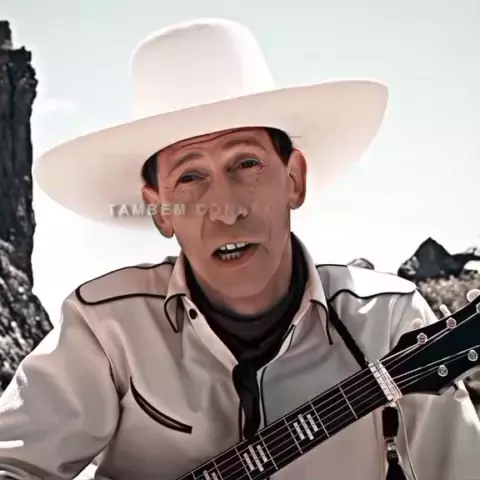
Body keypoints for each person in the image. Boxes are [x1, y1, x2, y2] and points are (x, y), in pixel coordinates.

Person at [1, 17, 479, 480]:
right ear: (161, 211)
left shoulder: (387, 320)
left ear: (293, 180)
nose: (226, 210)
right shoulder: (106, 328)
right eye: (190, 177)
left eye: (246, 164)